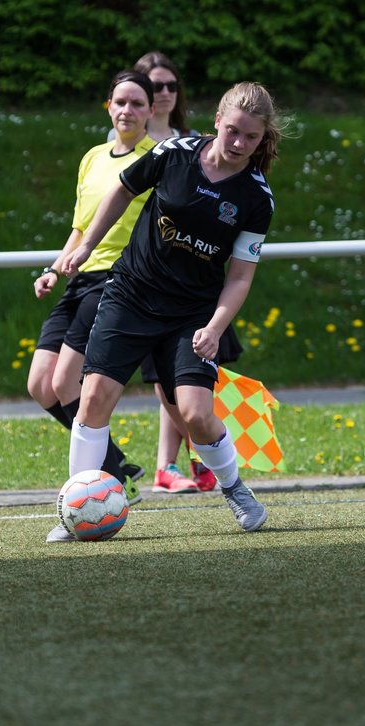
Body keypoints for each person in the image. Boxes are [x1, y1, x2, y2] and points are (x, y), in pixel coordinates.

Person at [47, 81, 286, 542]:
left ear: (262, 137)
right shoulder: (174, 153)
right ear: (217, 120)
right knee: (93, 398)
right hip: (132, 294)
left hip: (191, 313)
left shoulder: (257, 197)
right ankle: (74, 509)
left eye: (250, 137)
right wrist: (86, 246)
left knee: (196, 415)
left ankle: (234, 489)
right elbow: (121, 190)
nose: (239, 144)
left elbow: (239, 276)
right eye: (232, 131)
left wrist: (216, 327)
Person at [110, 52, 243, 493]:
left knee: (188, 391)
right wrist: (80, 251)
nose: (164, 93)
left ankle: (206, 464)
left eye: (171, 86)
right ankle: (167, 464)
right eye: (155, 86)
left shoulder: (202, 146)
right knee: (161, 386)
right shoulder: (129, 144)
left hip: (191, 288)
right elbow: (111, 196)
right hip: (138, 276)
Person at [27, 71, 157, 502]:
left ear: (151, 112)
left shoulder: (155, 157)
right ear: (108, 106)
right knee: (40, 385)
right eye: (120, 101)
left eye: (138, 103)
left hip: (118, 279)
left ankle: (113, 478)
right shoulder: (93, 157)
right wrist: (54, 266)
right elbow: (81, 227)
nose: (128, 110)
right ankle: (119, 467)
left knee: (66, 382)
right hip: (80, 277)